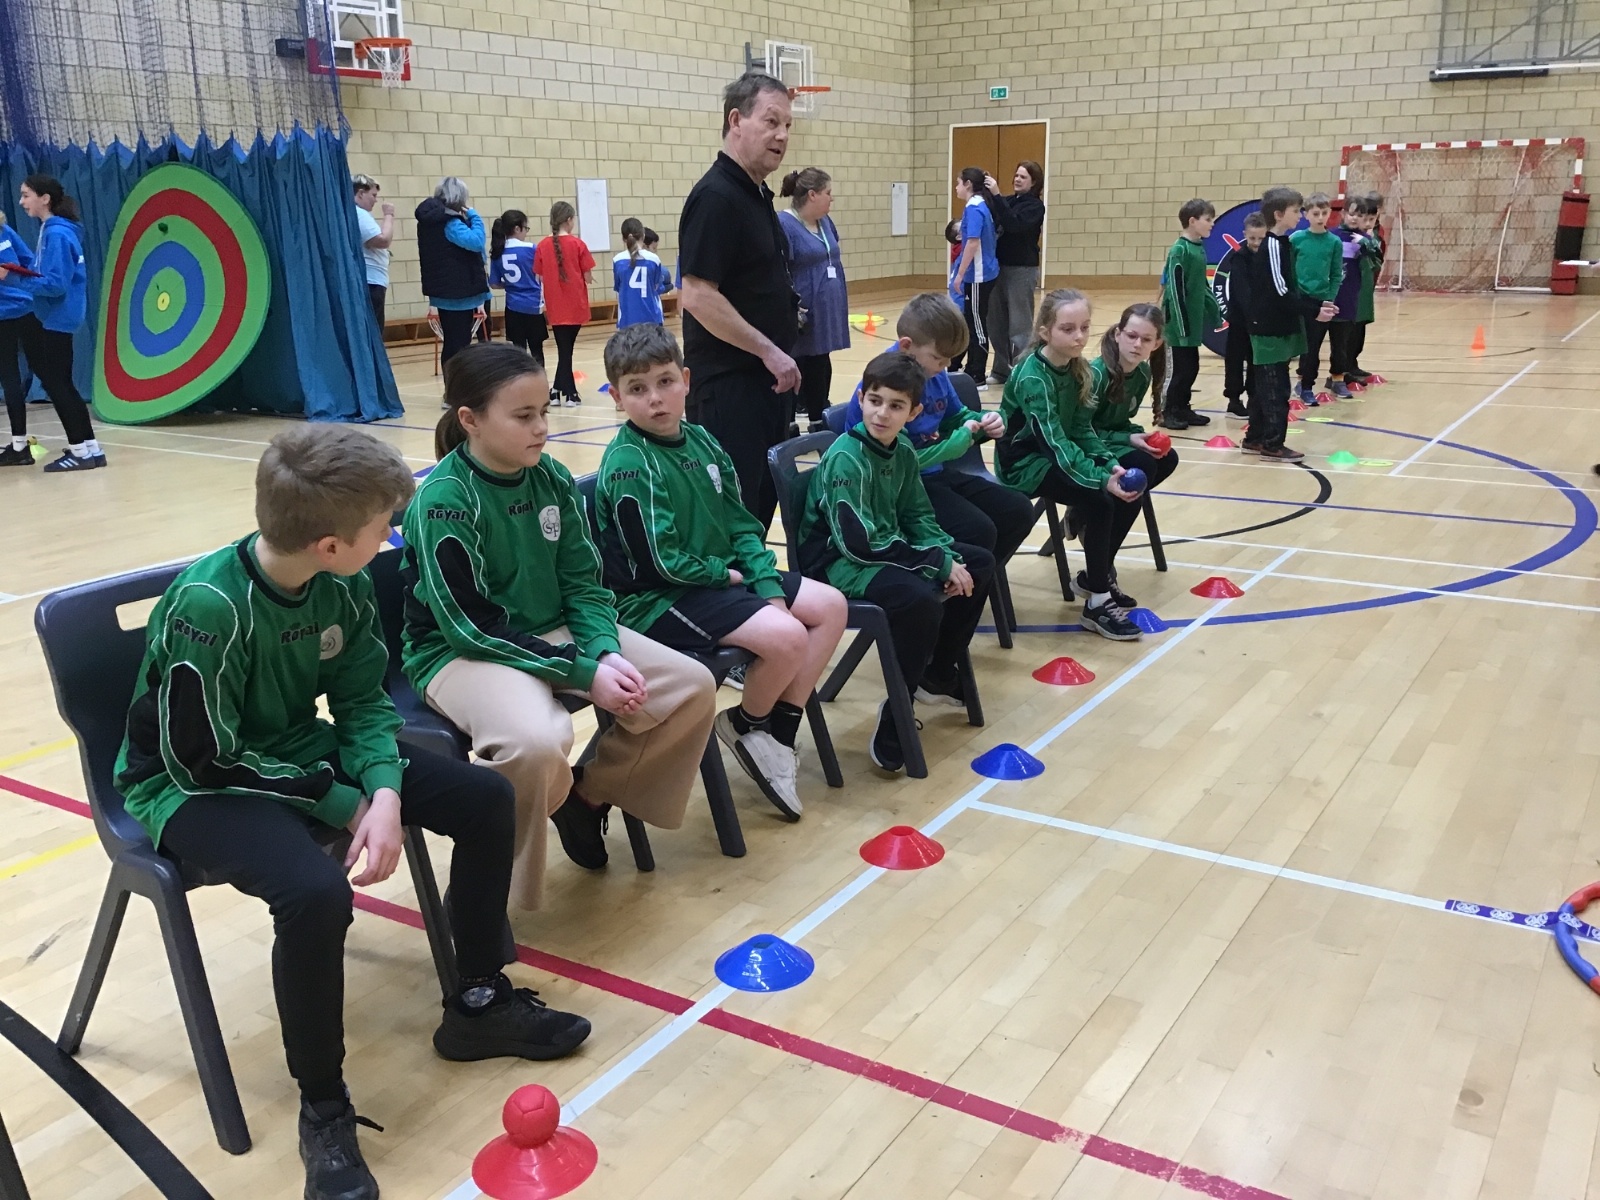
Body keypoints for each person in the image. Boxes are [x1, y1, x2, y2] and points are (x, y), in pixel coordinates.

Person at [114, 424, 591, 1200]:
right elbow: (205, 757)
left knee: (483, 797)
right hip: (188, 788)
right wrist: (345, 799)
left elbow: (364, 702)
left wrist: (387, 790)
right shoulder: (209, 606)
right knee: (314, 893)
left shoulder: (342, 583)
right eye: (383, 528)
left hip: (296, 751)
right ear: (331, 544)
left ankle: (477, 1000)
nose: (391, 539)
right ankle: (324, 1108)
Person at [401, 342, 716, 905]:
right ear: (470, 420)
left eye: (544, 411)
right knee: (538, 743)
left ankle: (587, 796)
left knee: (690, 686)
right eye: (524, 416)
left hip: (552, 634)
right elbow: (468, 627)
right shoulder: (443, 501)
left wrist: (604, 650)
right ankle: (488, 896)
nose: (542, 427)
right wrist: (583, 670)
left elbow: (583, 584)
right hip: (462, 653)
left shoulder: (549, 476)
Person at [594, 324, 847, 819]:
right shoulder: (629, 463)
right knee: (788, 637)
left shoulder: (702, 441)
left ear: (686, 380)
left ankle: (769, 733)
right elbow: (659, 562)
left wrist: (767, 587)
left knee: (831, 606)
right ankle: (752, 725)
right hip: (657, 598)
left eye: (665, 382)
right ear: (618, 399)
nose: (655, 399)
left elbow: (741, 524)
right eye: (637, 389)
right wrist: (727, 576)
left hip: (713, 580)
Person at [798, 351, 994, 772]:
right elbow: (859, 544)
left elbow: (918, 517)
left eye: (896, 405)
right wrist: (935, 564)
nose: (882, 413)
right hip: (837, 564)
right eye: (874, 401)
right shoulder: (846, 458)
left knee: (978, 564)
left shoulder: (902, 449)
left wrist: (946, 554)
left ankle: (936, 673)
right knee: (917, 599)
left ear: (914, 412)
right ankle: (897, 713)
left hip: (881, 551)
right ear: (861, 399)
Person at [841, 292, 1034, 641]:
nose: (944, 367)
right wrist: (953, 446)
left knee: (1018, 510)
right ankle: (948, 607)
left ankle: (966, 592)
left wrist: (984, 421)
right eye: (938, 359)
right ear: (906, 347)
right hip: (898, 490)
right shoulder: (885, 388)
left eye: (948, 361)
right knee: (980, 531)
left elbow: (955, 416)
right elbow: (893, 463)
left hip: (935, 476)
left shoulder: (934, 374)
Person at [678, 72, 801, 529]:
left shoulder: (755, 193)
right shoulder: (716, 197)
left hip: (765, 386)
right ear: (736, 120)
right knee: (734, 520)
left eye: (787, 125)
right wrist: (769, 350)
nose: (782, 135)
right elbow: (697, 295)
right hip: (730, 392)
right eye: (771, 121)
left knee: (758, 513)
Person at [996, 289, 1142, 641]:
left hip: (1052, 456)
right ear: (1045, 332)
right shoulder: (1033, 377)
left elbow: (1080, 429)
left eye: (1084, 328)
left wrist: (1108, 464)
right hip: (1022, 463)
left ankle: (1097, 585)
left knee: (1108, 494)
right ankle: (1098, 600)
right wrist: (1099, 479)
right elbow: (1054, 444)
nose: (1079, 337)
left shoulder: (1078, 369)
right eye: (1067, 329)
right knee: (1100, 499)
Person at [0, 175, 105, 472]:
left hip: (57, 318)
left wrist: (14, 278)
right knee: (63, 385)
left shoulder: (57, 234)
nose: (21, 202)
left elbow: (56, 285)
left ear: (44, 198)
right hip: (58, 316)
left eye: (26, 195)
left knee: (59, 386)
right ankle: (91, 449)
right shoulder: (53, 229)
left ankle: (80, 453)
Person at [1087, 303, 1179, 606]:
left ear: (1157, 343)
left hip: (1111, 443)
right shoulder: (1096, 375)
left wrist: (1138, 435)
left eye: (1146, 339)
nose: (1137, 344)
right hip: (1087, 448)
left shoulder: (1141, 373)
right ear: (1118, 334)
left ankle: (1093, 525)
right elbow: (1081, 430)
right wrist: (1127, 438)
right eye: (1131, 336)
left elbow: (1119, 420)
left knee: (1167, 458)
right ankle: (1100, 570)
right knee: (1138, 474)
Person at [1243, 187, 1337, 461]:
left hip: (1277, 327)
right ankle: (1272, 444)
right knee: (1275, 390)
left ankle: (1255, 438)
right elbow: (1280, 291)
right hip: (1269, 329)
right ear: (1278, 214)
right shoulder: (1273, 244)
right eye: (1296, 211)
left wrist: (1317, 305)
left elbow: (1289, 289)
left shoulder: (1283, 244)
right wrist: (1313, 311)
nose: (1299, 215)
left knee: (1264, 389)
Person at [778, 167, 849, 430]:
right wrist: (790, 306)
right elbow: (778, 270)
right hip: (801, 312)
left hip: (826, 307)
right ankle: (787, 426)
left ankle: (819, 421)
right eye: (828, 193)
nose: (832, 198)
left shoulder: (825, 221)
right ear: (812, 195)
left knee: (820, 362)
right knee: (797, 364)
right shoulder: (784, 224)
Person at [414, 177, 489, 370]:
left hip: (443, 290)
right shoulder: (450, 222)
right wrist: (474, 216)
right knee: (460, 345)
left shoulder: (429, 222)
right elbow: (476, 241)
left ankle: (451, 385)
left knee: (452, 343)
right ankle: (456, 384)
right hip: (458, 291)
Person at [1159, 198, 1220, 430]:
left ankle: (1183, 407)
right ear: (1192, 221)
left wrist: (1215, 311)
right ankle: (1168, 411)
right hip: (1178, 324)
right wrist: (1181, 325)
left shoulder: (1198, 248)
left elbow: (1202, 286)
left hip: (1192, 323)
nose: (1212, 224)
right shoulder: (1180, 250)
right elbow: (1175, 290)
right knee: (1178, 371)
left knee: (1191, 368)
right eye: (1208, 219)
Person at [983, 160, 1046, 384]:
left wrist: (997, 196)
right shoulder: (1009, 201)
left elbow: (1013, 224)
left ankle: (1021, 370)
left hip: (1021, 269)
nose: (1017, 179)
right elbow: (995, 213)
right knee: (996, 322)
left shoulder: (1035, 207)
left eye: (1023, 177)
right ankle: (1001, 370)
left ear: (1034, 182)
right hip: (998, 268)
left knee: (1019, 324)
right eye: (1017, 175)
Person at [533, 201, 595, 406]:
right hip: (575, 302)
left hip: (555, 304)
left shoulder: (542, 246)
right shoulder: (578, 244)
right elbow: (587, 276)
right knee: (566, 350)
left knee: (564, 349)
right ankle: (570, 393)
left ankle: (557, 391)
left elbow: (540, 276)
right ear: (569, 220)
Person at [951, 167, 1005, 387]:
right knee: (974, 322)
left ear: (968, 184)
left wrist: (960, 274)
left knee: (977, 325)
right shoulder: (981, 205)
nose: (956, 187)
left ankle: (977, 374)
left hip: (978, 276)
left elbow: (972, 242)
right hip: (983, 273)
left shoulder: (974, 208)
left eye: (958, 183)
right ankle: (970, 368)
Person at [1291, 193, 1344, 406]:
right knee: (1294, 344)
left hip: (1320, 301)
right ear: (1306, 215)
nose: (1320, 217)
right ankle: (1288, 384)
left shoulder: (1334, 242)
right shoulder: (1296, 239)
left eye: (1324, 213)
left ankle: (1307, 387)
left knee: (1313, 347)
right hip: (1298, 300)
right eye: (1315, 213)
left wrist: (1329, 298)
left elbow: (1336, 273)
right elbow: (1289, 270)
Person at [1212, 211, 1267, 419]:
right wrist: (1253, 314)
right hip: (1239, 319)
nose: (1256, 243)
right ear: (1245, 235)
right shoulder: (1239, 258)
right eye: (1252, 238)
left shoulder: (1268, 257)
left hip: (1260, 320)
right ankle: (1234, 400)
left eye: (1261, 238)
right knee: (1235, 359)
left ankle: (1254, 396)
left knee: (1256, 359)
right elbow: (1243, 292)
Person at [0, 211, 37, 467]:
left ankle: (81, 446)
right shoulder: (5, 230)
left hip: (16, 312)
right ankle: (19, 446)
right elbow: (28, 260)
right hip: (16, 312)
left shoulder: (5, 231)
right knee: (12, 378)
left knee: (14, 376)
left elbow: (27, 261)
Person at [489, 209, 546, 366]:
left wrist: (510, 284)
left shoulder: (498, 251)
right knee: (537, 350)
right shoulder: (532, 249)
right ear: (517, 228)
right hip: (533, 305)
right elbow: (543, 274)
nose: (526, 233)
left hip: (512, 307)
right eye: (525, 228)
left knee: (518, 352)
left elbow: (493, 283)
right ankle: (539, 378)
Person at [1345, 195, 1385, 385]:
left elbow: (1377, 261)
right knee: (1348, 331)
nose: (1367, 223)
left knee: (1359, 330)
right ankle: (1343, 369)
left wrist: (1369, 245)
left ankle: (1352, 364)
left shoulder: (1372, 238)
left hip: (1365, 289)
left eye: (1371, 219)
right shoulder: (1349, 237)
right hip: (1350, 291)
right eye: (1364, 218)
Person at [352, 174, 394, 329]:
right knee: (374, 329)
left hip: (371, 280)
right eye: (373, 195)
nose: (376, 200)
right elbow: (382, 240)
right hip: (371, 281)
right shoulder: (359, 214)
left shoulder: (357, 214)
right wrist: (389, 215)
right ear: (361, 193)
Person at [613, 217, 671, 329]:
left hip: (627, 319)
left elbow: (619, 287)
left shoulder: (617, 260)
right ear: (643, 236)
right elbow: (657, 287)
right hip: (652, 317)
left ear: (623, 239)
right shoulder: (654, 259)